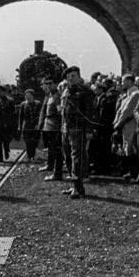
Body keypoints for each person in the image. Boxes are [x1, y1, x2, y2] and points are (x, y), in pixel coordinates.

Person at [60, 66, 95, 199]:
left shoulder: (86, 91)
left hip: (78, 129)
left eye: (73, 76)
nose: (70, 78)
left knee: (77, 159)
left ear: (79, 76)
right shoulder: (67, 91)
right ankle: (74, 185)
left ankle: (77, 187)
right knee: (67, 157)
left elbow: (90, 112)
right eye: (68, 77)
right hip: (66, 128)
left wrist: (89, 130)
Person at [113, 74, 139, 179]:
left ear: (130, 81)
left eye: (123, 81)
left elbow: (127, 111)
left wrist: (118, 124)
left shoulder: (135, 94)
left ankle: (134, 172)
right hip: (125, 124)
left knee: (131, 146)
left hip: (130, 123)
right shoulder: (129, 94)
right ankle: (130, 171)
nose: (121, 83)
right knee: (127, 147)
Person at [0, 84, 16, 162]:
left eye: (2, 91)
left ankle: (6, 150)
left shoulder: (10, 100)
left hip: (7, 123)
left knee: (6, 140)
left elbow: (13, 113)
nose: (0, 93)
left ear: (5, 92)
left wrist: (12, 123)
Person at [18, 88, 42, 162]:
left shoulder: (38, 104)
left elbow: (40, 115)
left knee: (35, 141)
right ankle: (30, 156)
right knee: (28, 142)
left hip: (35, 126)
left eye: (29, 95)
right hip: (27, 126)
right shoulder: (23, 104)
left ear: (32, 96)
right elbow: (21, 116)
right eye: (26, 96)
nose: (27, 97)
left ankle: (33, 153)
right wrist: (20, 125)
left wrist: (39, 124)